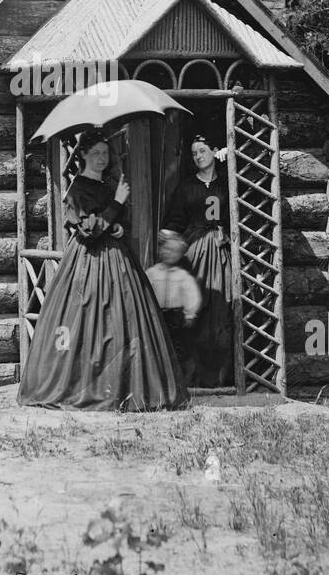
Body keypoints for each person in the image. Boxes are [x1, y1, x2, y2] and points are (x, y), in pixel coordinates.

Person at [18, 130, 189, 412]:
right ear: (83, 155)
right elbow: (88, 231)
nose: (101, 159)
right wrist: (118, 204)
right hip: (87, 265)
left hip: (119, 263)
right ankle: (84, 386)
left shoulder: (108, 187)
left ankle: (124, 387)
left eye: (105, 154)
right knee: (86, 321)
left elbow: (114, 223)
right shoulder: (77, 190)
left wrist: (120, 226)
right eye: (95, 153)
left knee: (124, 320)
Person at [163, 133, 234, 387]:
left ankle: (220, 377)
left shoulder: (226, 184)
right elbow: (174, 221)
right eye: (194, 153)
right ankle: (191, 375)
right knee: (195, 308)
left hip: (221, 252)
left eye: (203, 151)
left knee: (221, 307)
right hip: (194, 253)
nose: (198, 156)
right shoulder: (186, 187)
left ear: (214, 152)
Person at [145, 229, 202, 385]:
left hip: (176, 316)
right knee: (158, 345)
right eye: (166, 249)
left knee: (179, 347)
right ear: (160, 250)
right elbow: (145, 292)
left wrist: (190, 314)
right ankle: (160, 380)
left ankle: (181, 380)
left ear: (179, 255)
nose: (169, 254)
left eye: (173, 251)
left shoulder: (182, 276)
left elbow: (192, 295)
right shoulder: (152, 273)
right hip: (157, 315)